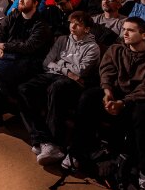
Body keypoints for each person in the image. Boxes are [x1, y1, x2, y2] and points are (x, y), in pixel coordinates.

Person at [67, 18, 145, 189]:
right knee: (89, 96)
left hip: (137, 100)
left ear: (144, 35)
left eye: (131, 30)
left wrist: (123, 103)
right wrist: (107, 92)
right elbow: (106, 71)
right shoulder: (116, 49)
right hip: (115, 94)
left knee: (144, 113)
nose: (125, 33)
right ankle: (78, 152)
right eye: (124, 29)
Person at [18, 11, 100, 166]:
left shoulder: (92, 47)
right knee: (24, 89)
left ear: (87, 29)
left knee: (57, 88)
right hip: (55, 75)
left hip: (75, 84)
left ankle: (54, 142)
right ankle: (41, 138)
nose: (73, 26)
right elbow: (47, 62)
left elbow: (80, 72)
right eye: (71, 23)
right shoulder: (62, 39)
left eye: (78, 24)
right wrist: (66, 69)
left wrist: (60, 65)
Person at [0, 0, 53, 131]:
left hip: (29, 61)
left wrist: (3, 46)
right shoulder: (14, 15)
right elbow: (0, 32)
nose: (21, 1)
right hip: (9, 55)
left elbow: (29, 47)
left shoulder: (41, 24)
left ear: (35, 3)